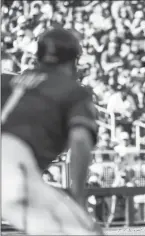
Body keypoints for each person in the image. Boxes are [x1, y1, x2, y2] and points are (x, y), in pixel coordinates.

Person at [1, 28, 104, 235]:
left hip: (13, 166)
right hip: (12, 166)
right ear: (72, 59)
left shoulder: (7, 81)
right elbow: (80, 141)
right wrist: (77, 195)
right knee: (86, 231)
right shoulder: (73, 90)